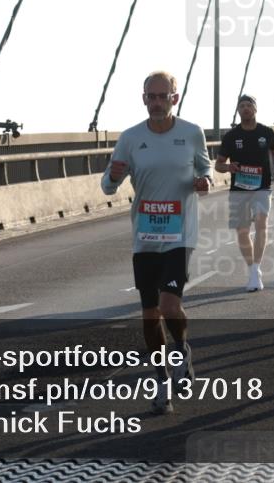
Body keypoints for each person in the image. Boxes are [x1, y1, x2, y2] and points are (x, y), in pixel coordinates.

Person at [101, 71, 213, 415]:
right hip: (146, 236)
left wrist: (204, 181)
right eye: (151, 96)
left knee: (168, 306)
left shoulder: (191, 133)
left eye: (163, 96)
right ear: (144, 98)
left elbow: (206, 169)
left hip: (180, 234)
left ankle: (181, 347)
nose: (157, 102)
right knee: (149, 314)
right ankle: (162, 380)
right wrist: (116, 175)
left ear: (174, 98)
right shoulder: (131, 138)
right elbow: (107, 186)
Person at [215, 94, 274, 292]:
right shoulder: (231, 136)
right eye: (242, 106)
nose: (245, 108)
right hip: (239, 189)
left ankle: (256, 269)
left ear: (255, 109)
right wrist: (228, 168)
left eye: (248, 105)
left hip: (261, 187)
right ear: (238, 110)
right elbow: (218, 165)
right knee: (242, 230)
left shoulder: (266, 132)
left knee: (261, 223)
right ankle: (252, 267)